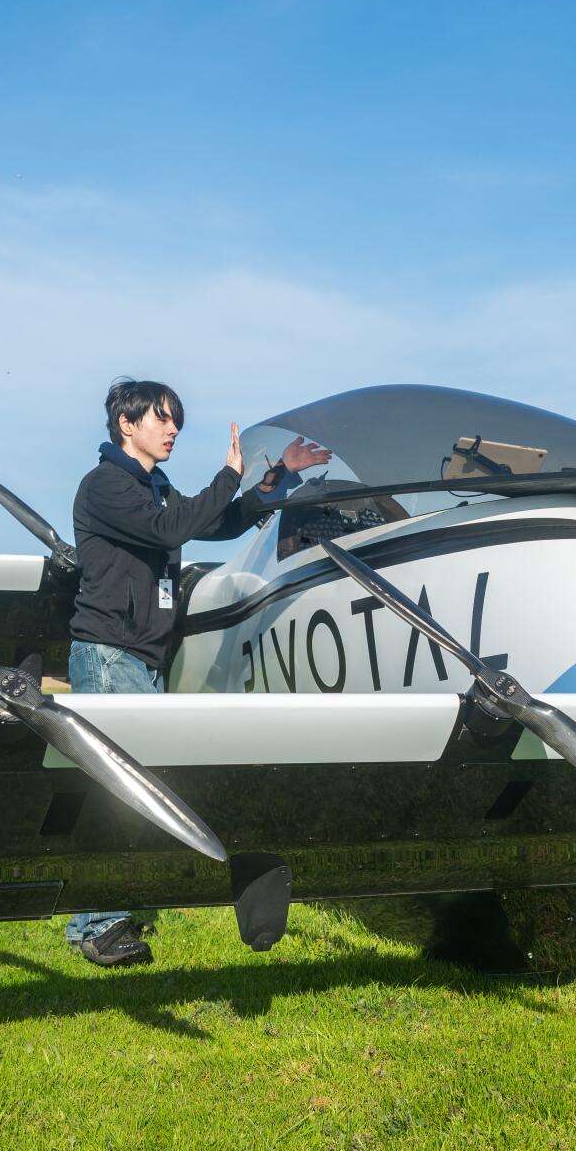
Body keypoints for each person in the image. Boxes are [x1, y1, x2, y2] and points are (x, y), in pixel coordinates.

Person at [65, 377, 330, 966]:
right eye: (161, 418)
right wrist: (228, 475)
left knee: (141, 790)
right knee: (119, 794)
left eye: (176, 420)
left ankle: (112, 916)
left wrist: (277, 476)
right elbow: (172, 528)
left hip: (142, 658)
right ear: (126, 424)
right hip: (109, 654)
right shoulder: (106, 486)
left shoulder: (155, 489)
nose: (173, 429)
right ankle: (95, 924)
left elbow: (219, 522)